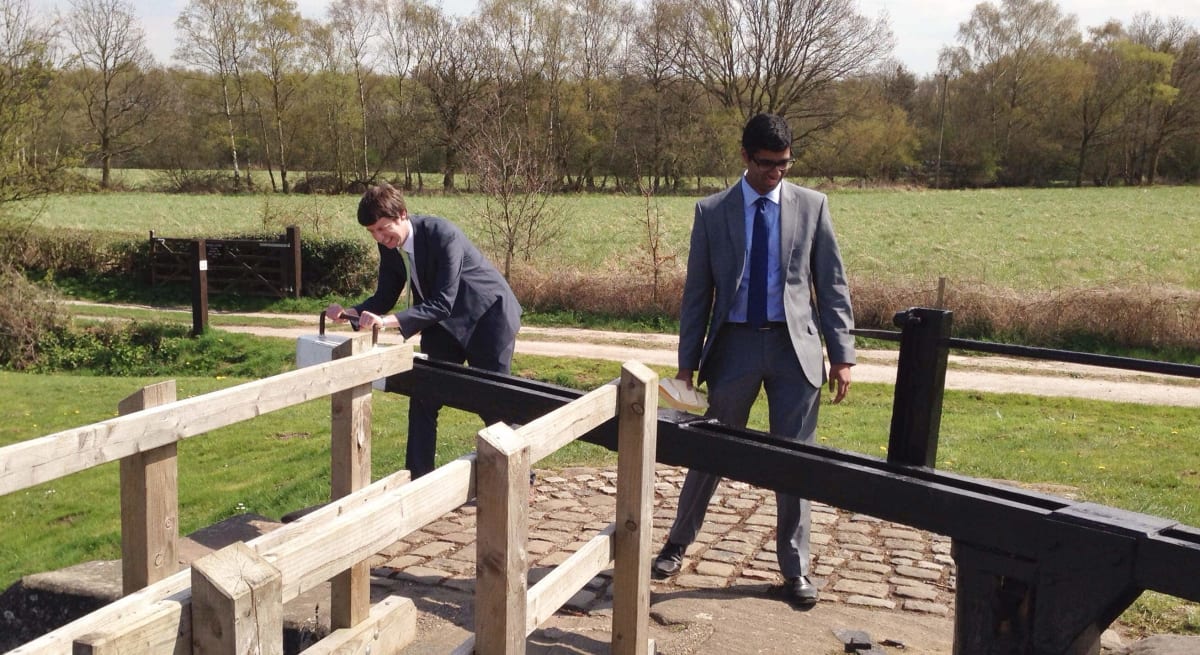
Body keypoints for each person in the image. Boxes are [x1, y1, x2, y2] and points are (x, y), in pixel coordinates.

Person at [651, 114, 855, 607]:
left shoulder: (813, 206)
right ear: (745, 157)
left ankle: (796, 568)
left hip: (796, 350)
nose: (775, 174)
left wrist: (842, 355)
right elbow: (697, 294)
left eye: (784, 164)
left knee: (795, 461)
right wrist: (686, 364)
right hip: (734, 347)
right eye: (766, 164)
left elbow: (831, 284)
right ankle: (678, 542)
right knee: (709, 452)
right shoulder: (712, 211)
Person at [325, 182, 521, 479]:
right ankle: (418, 479)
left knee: (492, 403)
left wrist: (388, 322)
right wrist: (350, 313)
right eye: (372, 232)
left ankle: (519, 476)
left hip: (488, 319)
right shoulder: (389, 246)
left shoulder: (443, 234)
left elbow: (443, 302)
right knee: (424, 395)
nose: (379, 237)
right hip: (444, 324)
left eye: (383, 228)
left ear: (402, 214)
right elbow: (384, 297)